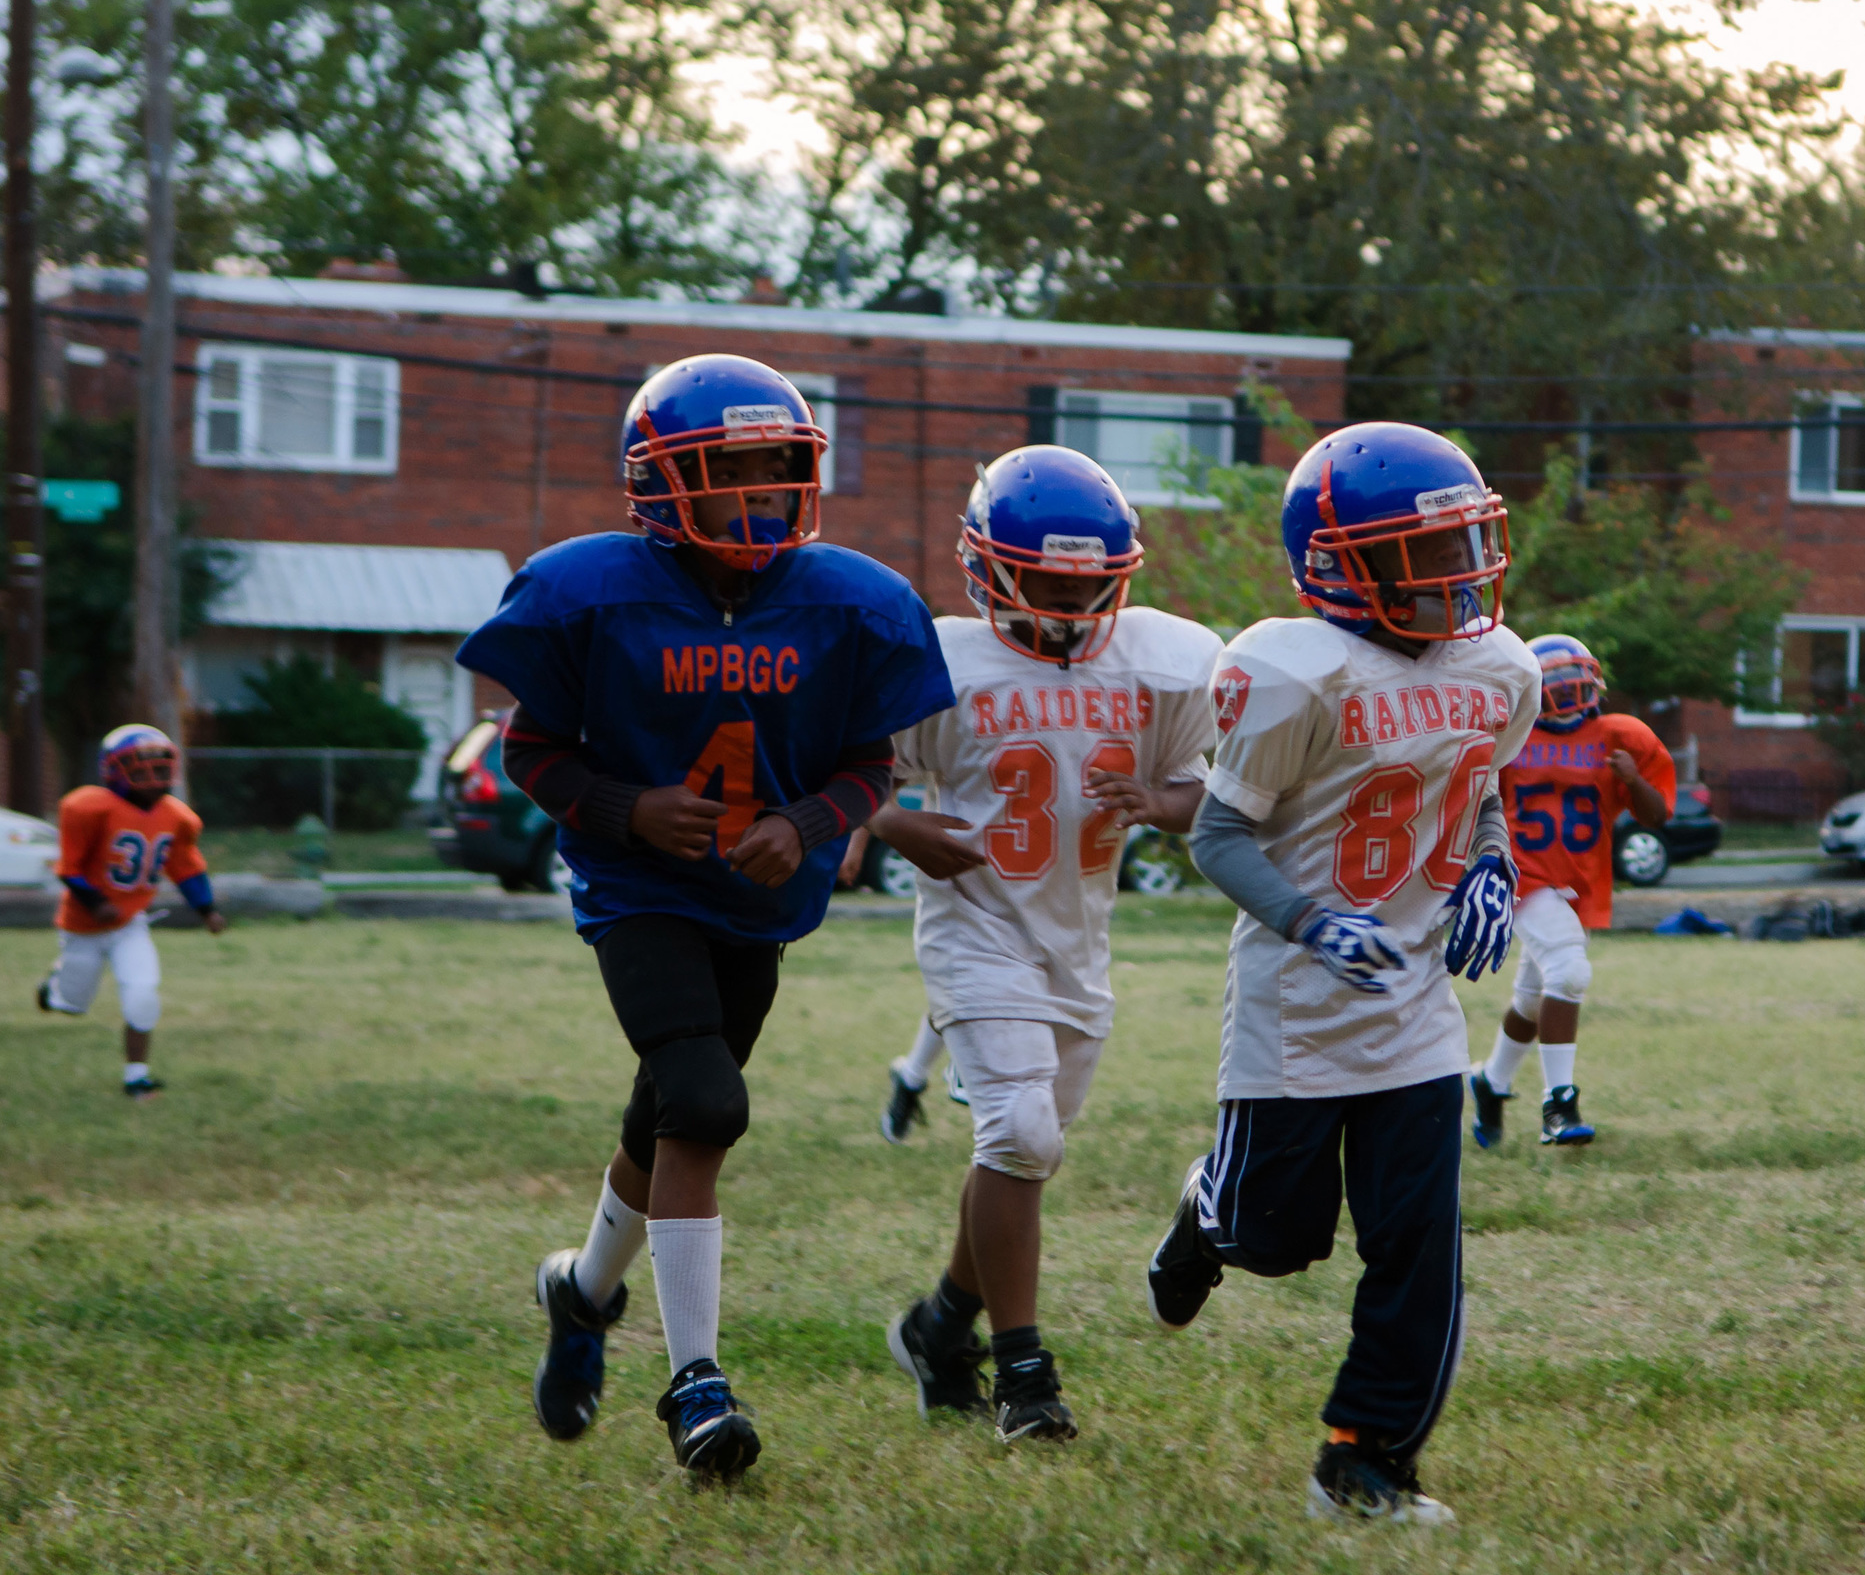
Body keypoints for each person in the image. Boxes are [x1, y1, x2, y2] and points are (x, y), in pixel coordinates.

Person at [457, 355, 953, 1482]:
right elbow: (529, 747)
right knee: (703, 1101)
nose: (757, 499)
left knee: (668, 1117)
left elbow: (872, 764)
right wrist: (625, 806)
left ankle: (580, 1293)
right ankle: (695, 1384)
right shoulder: (592, 590)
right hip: (639, 890)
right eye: (726, 475)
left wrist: (811, 820)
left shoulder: (853, 601)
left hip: (758, 897)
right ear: (657, 482)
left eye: (775, 473)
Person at [1142, 422, 1539, 1527]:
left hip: (1414, 999)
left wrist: (1494, 869)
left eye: (1466, 544)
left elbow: (1476, 789)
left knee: (1418, 1249)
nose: (1458, 577)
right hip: (1295, 1006)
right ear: (1339, 564)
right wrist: (1311, 924)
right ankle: (1206, 1199)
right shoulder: (1291, 667)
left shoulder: (1499, 667)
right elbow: (1218, 837)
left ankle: (1363, 1461)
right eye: (1427, 553)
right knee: (1272, 1242)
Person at [875, 446, 1222, 1443]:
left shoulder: (1156, 662)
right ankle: (1025, 1374)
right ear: (986, 569)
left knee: (1024, 1156)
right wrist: (893, 825)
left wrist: (1162, 802)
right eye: (1048, 577)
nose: (1071, 599)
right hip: (975, 929)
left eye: (1088, 580)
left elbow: (1211, 795)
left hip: (1076, 940)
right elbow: (840, 776)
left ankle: (941, 1323)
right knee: (1020, 1136)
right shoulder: (938, 656)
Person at [1470, 634, 1674, 1148]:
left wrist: (1633, 779)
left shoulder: (1620, 735)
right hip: (1523, 875)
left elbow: (1656, 816)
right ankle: (1558, 1105)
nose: (1565, 691)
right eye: (1553, 682)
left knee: (1535, 998)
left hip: (1578, 880)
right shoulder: (1509, 735)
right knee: (1569, 970)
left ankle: (1491, 1082)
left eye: (1572, 680)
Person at [36, 725, 228, 1097]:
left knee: (142, 992)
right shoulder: (89, 807)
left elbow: (186, 867)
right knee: (72, 1005)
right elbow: (69, 869)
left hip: (130, 923)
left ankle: (136, 1077)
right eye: (139, 771)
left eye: (158, 770)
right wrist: (97, 902)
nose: (151, 780)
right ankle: (54, 988)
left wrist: (207, 909)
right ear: (112, 772)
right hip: (82, 927)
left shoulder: (176, 816)